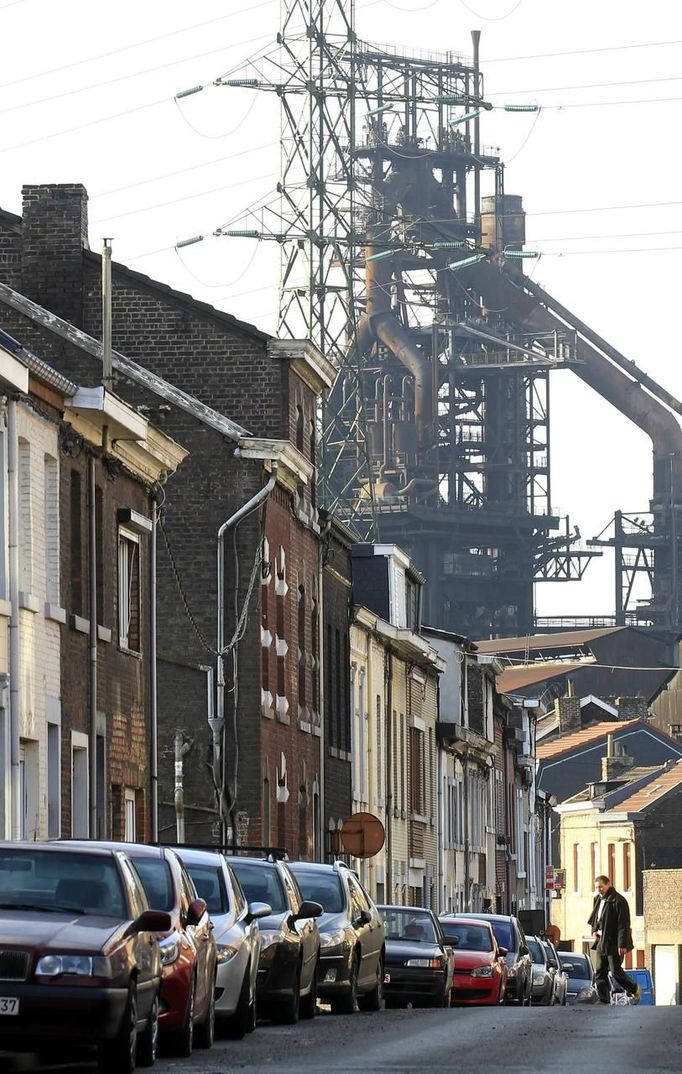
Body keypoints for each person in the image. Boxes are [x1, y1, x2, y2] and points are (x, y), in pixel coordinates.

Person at [588, 874, 640, 1004]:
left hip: (613, 942)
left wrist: (621, 944)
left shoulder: (618, 901)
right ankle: (603, 998)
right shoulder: (598, 900)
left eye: (601, 886)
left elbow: (623, 924)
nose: (599, 889)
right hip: (601, 941)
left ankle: (634, 988)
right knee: (600, 971)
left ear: (608, 884)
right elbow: (595, 919)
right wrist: (594, 931)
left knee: (615, 971)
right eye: (596, 887)